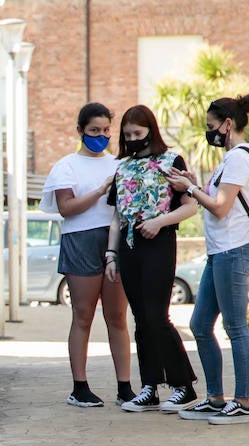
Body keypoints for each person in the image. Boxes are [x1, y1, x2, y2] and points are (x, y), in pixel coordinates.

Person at [167, 93, 249, 424]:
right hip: (220, 252)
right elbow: (221, 201)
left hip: (235, 251)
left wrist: (191, 189)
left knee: (235, 326)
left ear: (227, 124)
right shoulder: (229, 160)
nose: (209, 133)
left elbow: (221, 207)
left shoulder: (239, 158)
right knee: (199, 324)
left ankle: (243, 402)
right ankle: (214, 397)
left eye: (211, 126)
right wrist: (194, 185)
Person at [104, 105, 199, 413]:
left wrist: (160, 222)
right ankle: (149, 386)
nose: (132, 139)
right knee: (141, 320)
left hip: (159, 244)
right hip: (129, 249)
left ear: (151, 132)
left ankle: (183, 385)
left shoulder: (170, 161)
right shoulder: (121, 168)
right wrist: (111, 254)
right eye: (127, 135)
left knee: (158, 317)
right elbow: (117, 217)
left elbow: (190, 207)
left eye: (138, 134)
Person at [40, 102, 133, 408]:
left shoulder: (120, 164)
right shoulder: (65, 167)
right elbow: (66, 208)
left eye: (106, 130)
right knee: (83, 314)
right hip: (80, 239)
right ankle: (79, 387)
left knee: (117, 316)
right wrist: (100, 191)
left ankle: (125, 387)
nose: (101, 136)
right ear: (80, 130)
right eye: (94, 130)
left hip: (114, 239)